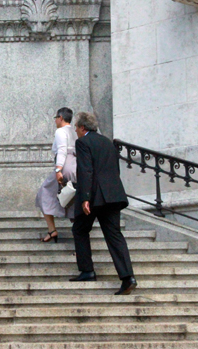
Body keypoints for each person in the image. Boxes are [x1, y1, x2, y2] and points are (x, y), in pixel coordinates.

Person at [70, 112, 137, 296]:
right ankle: (128, 277)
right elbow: (115, 169)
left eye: (76, 127)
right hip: (114, 195)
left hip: (95, 197)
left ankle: (87, 271)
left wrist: (84, 198)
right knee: (114, 235)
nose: (76, 131)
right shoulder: (108, 142)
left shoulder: (83, 142)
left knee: (79, 229)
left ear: (83, 128)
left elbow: (85, 170)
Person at [35, 107, 78, 243]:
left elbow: (62, 150)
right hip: (76, 166)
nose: (55, 121)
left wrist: (58, 169)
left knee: (44, 193)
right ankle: (78, 235)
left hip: (64, 166)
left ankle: (52, 229)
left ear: (60, 118)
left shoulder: (61, 131)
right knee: (72, 196)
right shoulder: (75, 131)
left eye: (55, 118)